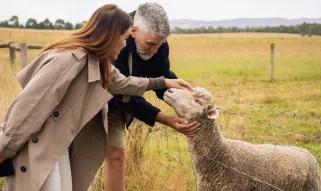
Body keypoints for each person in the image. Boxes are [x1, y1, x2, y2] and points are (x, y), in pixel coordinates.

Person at [0, 4, 196, 191]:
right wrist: (4, 149)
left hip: (58, 144)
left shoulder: (98, 61)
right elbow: (26, 110)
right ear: (112, 36)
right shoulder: (67, 60)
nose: (125, 43)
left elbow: (124, 83)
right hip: (40, 146)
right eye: (124, 37)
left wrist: (165, 83)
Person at [104, 3, 200, 191]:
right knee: (87, 157)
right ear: (134, 31)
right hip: (100, 100)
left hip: (122, 100)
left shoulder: (158, 45)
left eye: (160, 44)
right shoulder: (115, 42)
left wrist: (188, 101)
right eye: (150, 44)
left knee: (117, 154)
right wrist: (166, 119)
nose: (155, 50)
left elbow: (161, 78)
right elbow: (124, 93)